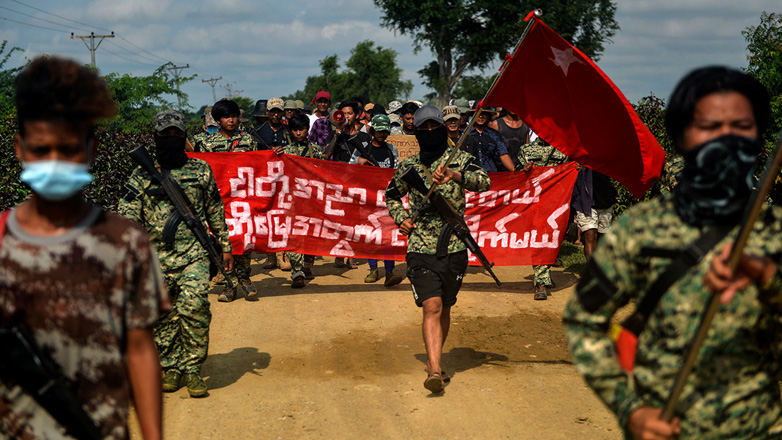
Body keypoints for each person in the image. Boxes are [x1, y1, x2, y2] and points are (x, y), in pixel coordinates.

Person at [563, 66, 779, 439]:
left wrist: (768, 278)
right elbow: (584, 320)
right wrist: (631, 410)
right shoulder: (639, 231)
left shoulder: (774, 228)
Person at [1, 56, 167, 439]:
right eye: (41, 150)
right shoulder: (1, 240)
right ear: (20, 149)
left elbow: (139, 348)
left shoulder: (125, 241)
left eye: (69, 149)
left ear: (91, 149)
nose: (55, 162)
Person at [119, 109, 234, 399]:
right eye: (165, 134)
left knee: (194, 307)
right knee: (162, 316)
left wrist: (225, 245)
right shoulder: (141, 173)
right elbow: (127, 217)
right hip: (153, 259)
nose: (171, 138)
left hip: (193, 255)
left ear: (185, 136)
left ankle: (193, 368)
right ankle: (171, 366)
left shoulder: (200, 170)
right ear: (155, 137)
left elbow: (214, 210)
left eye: (176, 134)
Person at [385, 105, 490, 393]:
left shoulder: (462, 160)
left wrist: (456, 177)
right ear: (417, 133)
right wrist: (401, 219)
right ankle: (434, 369)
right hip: (419, 246)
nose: (430, 133)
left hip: (454, 245)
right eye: (424, 129)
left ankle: (436, 357)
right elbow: (392, 195)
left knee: (444, 306)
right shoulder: (409, 167)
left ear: (443, 129)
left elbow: (485, 182)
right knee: (431, 306)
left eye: (434, 127)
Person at [196, 99, 258, 301]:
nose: (231, 120)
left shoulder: (249, 140)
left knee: (243, 238)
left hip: (243, 199)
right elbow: (201, 168)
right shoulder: (207, 144)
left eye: (233, 116)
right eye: (226, 117)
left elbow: (260, 163)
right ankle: (229, 284)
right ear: (217, 120)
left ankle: (245, 279)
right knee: (224, 240)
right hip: (218, 200)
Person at [350, 114, 405, 287]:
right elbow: (349, 166)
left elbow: (396, 171)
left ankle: (389, 271)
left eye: (384, 131)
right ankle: (373, 269)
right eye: (379, 131)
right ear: (373, 130)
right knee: (370, 235)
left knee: (388, 237)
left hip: (386, 198)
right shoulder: (362, 148)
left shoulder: (392, 149)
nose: (381, 134)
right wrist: (360, 161)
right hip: (367, 198)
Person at [273, 113, 325, 288]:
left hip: (313, 200)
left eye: (301, 129)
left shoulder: (317, 151)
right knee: (294, 235)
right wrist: (274, 155)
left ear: (307, 129)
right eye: (295, 130)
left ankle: (308, 266)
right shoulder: (285, 151)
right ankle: (297, 272)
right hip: (293, 200)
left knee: (311, 234)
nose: (298, 133)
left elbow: (326, 173)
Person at [516, 136, 570, 300]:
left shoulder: (564, 150)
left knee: (554, 237)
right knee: (540, 237)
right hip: (536, 201)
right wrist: (524, 169)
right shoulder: (526, 150)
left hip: (558, 201)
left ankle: (545, 273)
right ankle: (540, 281)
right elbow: (517, 175)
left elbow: (570, 169)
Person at [324, 100, 370, 268]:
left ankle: (351, 255)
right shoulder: (336, 134)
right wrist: (337, 134)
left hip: (357, 182)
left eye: (350, 113)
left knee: (354, 219)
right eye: (343, 114)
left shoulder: (364, 136)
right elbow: (326, 153)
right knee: (339, 219)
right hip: (338, 182)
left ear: (356, 115)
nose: (347, 117)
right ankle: (339, 253)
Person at [571, 167, 617, 259]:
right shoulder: (580, 155)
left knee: (601, 240)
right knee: (590, 235)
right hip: (585, 200)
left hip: (605, 200)